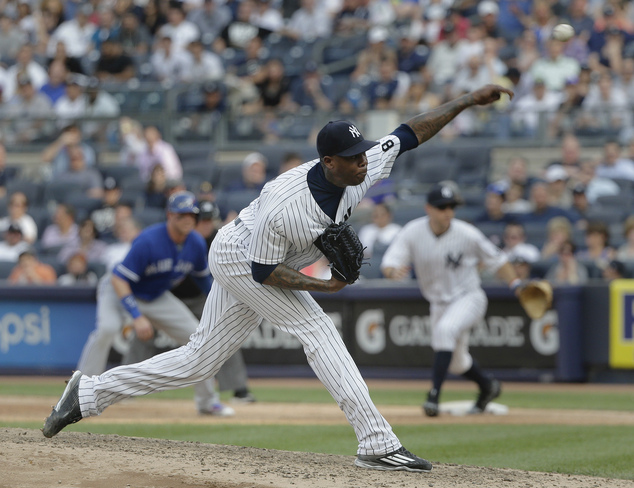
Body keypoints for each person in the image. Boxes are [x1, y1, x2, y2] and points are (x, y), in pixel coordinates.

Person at [43, 83, 514, 472]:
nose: (364, 161)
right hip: (241, 256)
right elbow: (264, 271)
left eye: (362, 152)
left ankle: (88, 393)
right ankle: (376, 440)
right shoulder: (289, 209)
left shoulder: (361, 168)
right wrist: (326, 286)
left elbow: (409, 132)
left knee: (197, 363)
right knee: (317, 327)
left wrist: (466, 100)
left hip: (258, 258)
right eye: (353, 157)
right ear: (329, 163)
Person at [75, 191, 233, 416]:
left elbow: (204, 281)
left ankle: (207, 401)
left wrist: (220, 306)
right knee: (107, 330)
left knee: (197, 335)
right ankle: (80, 392)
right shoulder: (149, 240)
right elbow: (120, 278)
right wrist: (136, 316)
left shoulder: (196, 242)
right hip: (117, 290)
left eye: (192, 215)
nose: (188, 219)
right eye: (182, 215)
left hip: (155, 295)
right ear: (170, 215)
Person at [381, 184, 523, 418]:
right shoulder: (413, 231)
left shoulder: (466, 233)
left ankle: (433, 396)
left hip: (469, 297)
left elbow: (497, 260)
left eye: (451, 207)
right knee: (457, 363)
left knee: (445, 331)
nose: (448, 212)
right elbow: (391, 261)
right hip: (438, 303)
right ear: (428, 208)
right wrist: (390, 272)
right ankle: (488, 386)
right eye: (442, 207)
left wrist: (516, 285)